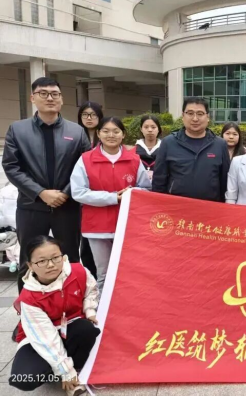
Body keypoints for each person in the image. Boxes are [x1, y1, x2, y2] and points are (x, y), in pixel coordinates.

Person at [2, 77, 91, 297]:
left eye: (55, 94)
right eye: (43, 93)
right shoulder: (18, 130)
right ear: (33, 98)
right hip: (31, 206)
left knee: (70, 258)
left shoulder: (77, 132)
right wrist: (40, 192)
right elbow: (12, 167)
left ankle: (72, 307)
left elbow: (86, 167)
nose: (50, 98)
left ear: (61, 99)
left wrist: (66, 193)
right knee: (29, 259)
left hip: (67, 207)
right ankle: (27, 310)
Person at [9, 236, 99, 396]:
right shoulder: (29, 298)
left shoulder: (79, 272)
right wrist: (65, 370)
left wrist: (89, 309)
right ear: (30, 265)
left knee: (86, 329)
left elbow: (91, 290)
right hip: (39, 338)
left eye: (55, 258)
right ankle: (61, 372)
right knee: (23, 379)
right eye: (41, 261)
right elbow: (45, 338)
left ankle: (76, 370)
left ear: (63, 257)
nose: (51, 265)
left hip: (70, 328)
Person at [71, 117, 151, 294]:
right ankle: (102, 309)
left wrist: (133, 192)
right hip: (97, 227)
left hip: (128, 227)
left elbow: (146, 188)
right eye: (106, 131)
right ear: (98, 134)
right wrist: (113, 197)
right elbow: (78, 192)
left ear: (123, 134)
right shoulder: (85, 159)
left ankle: (127, 307)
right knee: (104, 273)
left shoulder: (134, 160)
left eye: (116, 131)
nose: (111, 135)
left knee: (129, 272)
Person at [152, 97, 231, 202]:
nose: (195, 119)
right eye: (190, 113)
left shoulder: (220, 144)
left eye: (200, 114)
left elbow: (225, 180)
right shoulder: (168, 143)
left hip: (210, 207)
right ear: (183, 116)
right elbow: (159, 181)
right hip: (176, 206)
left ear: (208, 117)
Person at [77, 103, 104, 279]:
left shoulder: (107, 137)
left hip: (104, 194)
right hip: (81, 196)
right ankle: (90, 277)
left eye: (93, 114)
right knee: (85, 241)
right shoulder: (75, 136)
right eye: (85, 114)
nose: (89, 118)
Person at [134, 114, 163, 180]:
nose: (150, 130)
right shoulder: (134, 151)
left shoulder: (165, 149)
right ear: (141, 129)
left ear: (158, 129)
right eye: (146, 127)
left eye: (153, 127)